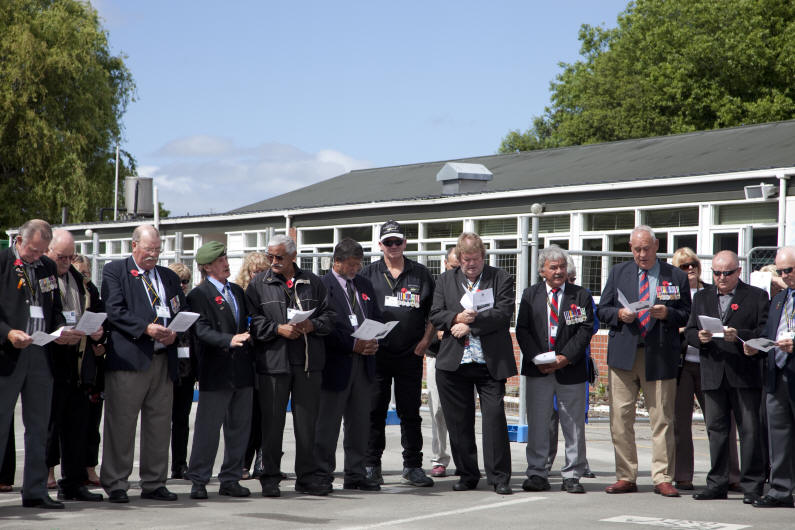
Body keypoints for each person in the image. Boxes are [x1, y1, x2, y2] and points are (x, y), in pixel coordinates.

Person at [596, 225, 691, 497]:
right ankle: (626, 476)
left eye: (646, 248)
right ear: (630, 248)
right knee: (620, 418)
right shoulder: (618, 273)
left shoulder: (675, 275)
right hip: (624, 355)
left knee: (662, 418)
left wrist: (667, 313)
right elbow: (602, 309)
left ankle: (662, 477)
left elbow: (686, 314)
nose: (641, 254)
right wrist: (619, 314)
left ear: (657, 246)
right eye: (636, 249)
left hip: (660, 355)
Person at [0, 219, 83, 509]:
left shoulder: (46, 267)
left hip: (40, 352)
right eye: (33, 250)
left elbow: (54, 308)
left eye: (42, 251)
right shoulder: (3, 262)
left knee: (39, 425)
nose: (36, 256)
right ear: (19, 241)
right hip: (8, 354)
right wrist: (8, 333)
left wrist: (62, 331)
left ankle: (35, 490)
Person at [100, 224, 186, 503]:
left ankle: (154, 481)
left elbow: (179, 308)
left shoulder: (168, 276)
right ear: (133, 245)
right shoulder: (116, 271)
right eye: (149, 249)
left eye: (158, 250)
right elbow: (114, 310)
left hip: (163, 358)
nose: (153, 255)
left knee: (160, 424)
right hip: (130, 359)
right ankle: (116, 482)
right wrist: (146, 328)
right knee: (122, 423)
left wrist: (177, 329)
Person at [246, 235, 334, 497]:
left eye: (278, 257)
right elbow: (252, 321)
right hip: (273, 363)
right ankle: (270, 477)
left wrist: (312, 325)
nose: (273, 262)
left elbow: (330, 316)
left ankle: (306, 477)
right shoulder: (257, 285)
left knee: (307, 425)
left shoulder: (313, 282)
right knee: (272, 425)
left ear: (293, 257)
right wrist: (277, 329)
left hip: (307, 363)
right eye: (269, 256)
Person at [429, 232, 516, 495]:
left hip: (489, 364)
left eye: (475, 259)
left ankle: (499, 477)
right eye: (465, 259)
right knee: (459, 423)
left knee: (494, 420)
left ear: (483, 256)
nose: (470, 264)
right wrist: (456, 317)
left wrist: (470, 325)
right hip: (455, 364)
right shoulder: (445, 280)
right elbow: (435, 313)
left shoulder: (500, 278)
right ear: (458, 258)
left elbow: (503, 313)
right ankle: (467, 474)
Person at [685, 251, 768, 503]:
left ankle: (752, 485)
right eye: (717, 273)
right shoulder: (701, 297)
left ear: (738, 272)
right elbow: (689, 330)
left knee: (750, 431)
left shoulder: (756, 296)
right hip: (713, 372)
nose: (721, 278)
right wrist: (698, 338)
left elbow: (764, 331)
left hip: (743, 372)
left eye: (727, 273)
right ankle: (717, 483)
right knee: (716, 430)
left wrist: (739, 334)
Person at [360, 220, 436, 488]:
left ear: (405, 243)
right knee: (374, 411)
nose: (393, 246)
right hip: (376, 355)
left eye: (398, 241)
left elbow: (434, 313)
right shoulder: (367, 274)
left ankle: (413, 466)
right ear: (380, 245)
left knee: (410, 413)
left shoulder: (421, 274)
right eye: (388, 242)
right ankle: (371, 465)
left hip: (410, 355)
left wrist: (425, 342)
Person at [516, 246, 594, 494]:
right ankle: (538, 473)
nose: (559, 271)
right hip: (539, 369)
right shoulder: (530, 295)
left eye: (562, 266)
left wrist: (564, 358)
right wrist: (538, 358)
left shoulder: (579, 295)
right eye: (553, 267)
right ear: (542, 271)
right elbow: (522, 330)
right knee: (538, 423)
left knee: (573, 425)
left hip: (570, 370)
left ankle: (572, 474)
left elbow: (585, 330)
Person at [186, 242, 253, 500]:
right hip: (216, 371)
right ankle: (199, 480)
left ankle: (231, 478)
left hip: (242, 370)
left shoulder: (236, 290)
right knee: (208, 429)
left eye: (225, 257)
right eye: (219, 260)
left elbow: (247, 320)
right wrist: (228, 340)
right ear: (206, 267)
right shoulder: (198, 295)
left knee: (239, 428)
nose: (226, 263)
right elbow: (200, 330)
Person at [313, 238, 382, 491]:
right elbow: (323, 327)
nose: (355, 269)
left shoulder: (364, 284)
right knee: (327, 424)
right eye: (351, 264)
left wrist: (375, 339)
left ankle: (355, 473)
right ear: (337, 262)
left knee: (360, 422)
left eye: (358, 264)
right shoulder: (322, 286)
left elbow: (374, 315)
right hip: (335, 364)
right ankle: (322, 473)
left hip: (364, 364)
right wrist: (351, 345)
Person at [672, 248, 741, 492]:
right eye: (683, 266)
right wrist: (684, 332)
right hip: (685, 363)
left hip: (712, 363)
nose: (690, 269)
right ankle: (682, 475)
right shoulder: (674, 293)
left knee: (722, 421)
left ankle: (731, 474)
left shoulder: (709, 291)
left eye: (693, 265)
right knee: (680, 422)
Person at [45, 230, 106, 502]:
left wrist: (100, 333)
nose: (67, 262)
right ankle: (41, 480)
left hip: (79, 364)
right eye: (62, 257)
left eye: (71, 257)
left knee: (77, 426)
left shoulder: (81, 281)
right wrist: (57, 331)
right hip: (50, 361)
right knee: (48, 427)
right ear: (48, 251)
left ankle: (73, 482)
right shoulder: (41, 277)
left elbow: (99, 312)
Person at [746, 246, 795, 508]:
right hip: (776, 373)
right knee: (778, 435)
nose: (785, 276)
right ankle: (780, 490)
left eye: (790, 270)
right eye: (781, 271)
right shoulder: (778, 299)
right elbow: (768, 332)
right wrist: (755, 345)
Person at [546, 257, 597, 479]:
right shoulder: (542, 296)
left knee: (575, 421)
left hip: (574, 364)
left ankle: (579, 465)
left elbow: (590, 327)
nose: (569, 280)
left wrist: (566, 355)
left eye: (572, 277)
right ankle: (545, 464)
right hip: (546, 366)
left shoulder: (581, 297)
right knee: (548, 419)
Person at [235, 251, 269, 480]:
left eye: (262, 271)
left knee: (266, 415)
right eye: (254, 271)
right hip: (247, 359)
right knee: (248, 416)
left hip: (267, 358)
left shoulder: (271, 291)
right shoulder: (240, 294)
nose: (258, 275)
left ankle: (263, 462)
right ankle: (242, 462)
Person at [72, 254, 104, 487]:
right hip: (69, 362)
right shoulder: (66, 289)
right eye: (80, 273)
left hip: (92, 366)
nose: (84, 277)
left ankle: (90, 467)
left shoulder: (94, 292)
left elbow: (105, 320)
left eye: (87, 273)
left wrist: (102, 336)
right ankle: (52, 471)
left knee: (92, 423)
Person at [425, 248, 457, 478]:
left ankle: (466, 458)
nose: (457, 271)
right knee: (437, 409)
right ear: (444, 263)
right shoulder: (435, 287)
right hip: (437, 355)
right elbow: (426, 318)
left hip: (465, 356)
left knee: (462, 410)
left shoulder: (471, 287)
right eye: (453, 266)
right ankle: (439, 458)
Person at [167, 262, 196, 480]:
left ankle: (179, 464)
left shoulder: (191, 302)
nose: (183, 285)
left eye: (186, 281)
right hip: (167, 368)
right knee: (160, 419)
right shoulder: (165, 303)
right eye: (179, 281)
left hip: (186, 370)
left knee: (181, 420)